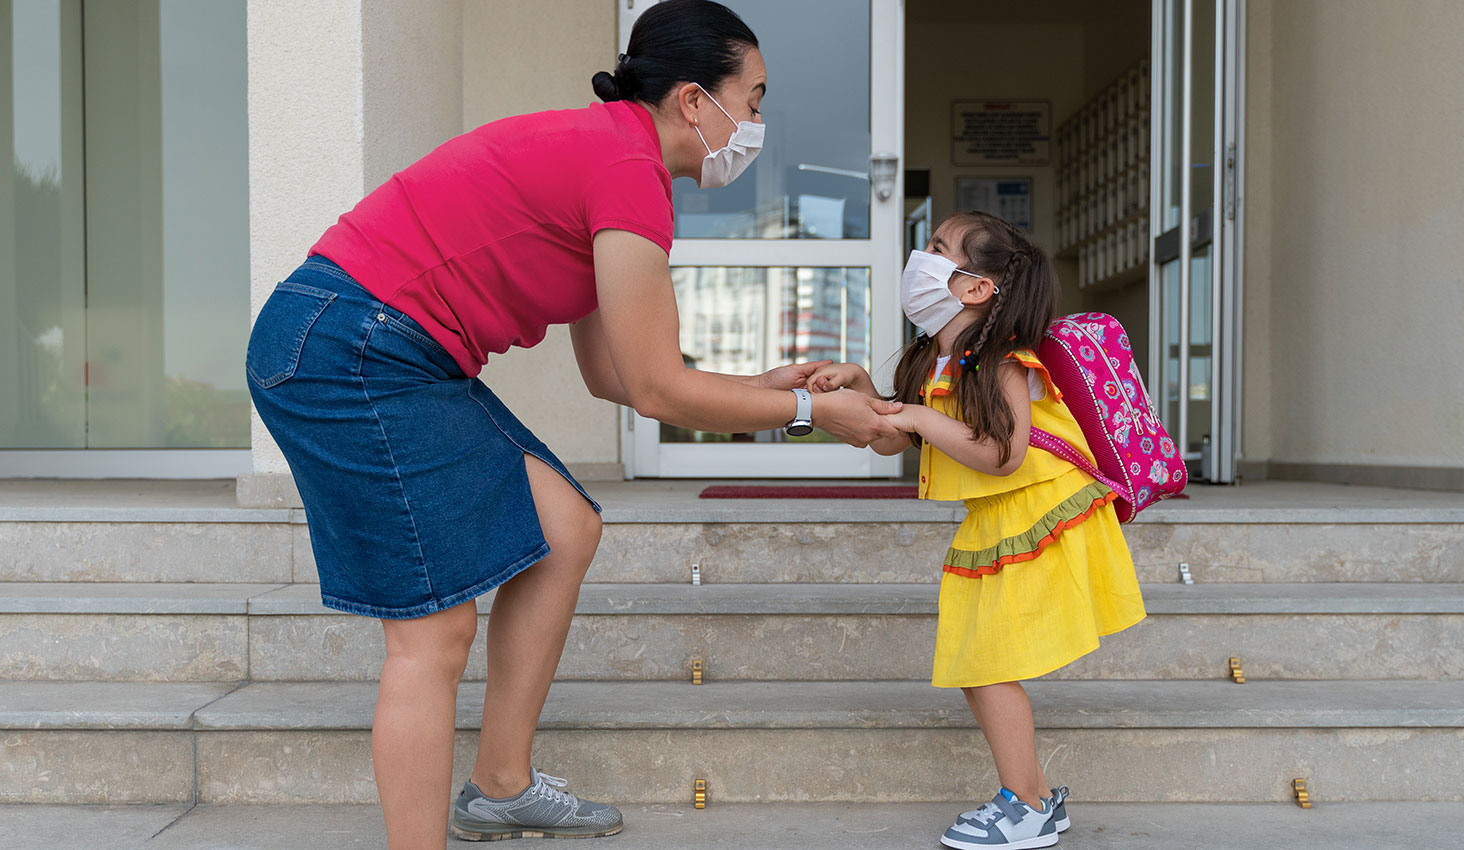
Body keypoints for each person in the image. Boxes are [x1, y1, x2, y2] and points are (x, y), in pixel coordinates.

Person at [244, 1, 899, 846]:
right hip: (349, 346)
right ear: (694, 100)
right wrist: (811, 410)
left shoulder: (613, 156)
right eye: (755, 98)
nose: (757, 122)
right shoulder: (625, 171)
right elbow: (658, 392)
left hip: (373, 342)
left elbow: (614, 376)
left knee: (564, 527)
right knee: (433, 632)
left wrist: (761, 387)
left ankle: (500, 786)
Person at [807, 211, 1148, 850]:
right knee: (975, 660)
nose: (921, 258)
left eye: (938, 248)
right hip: (997, 520)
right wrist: (859, 387)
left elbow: (1002, 454)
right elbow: (892, 440)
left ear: (975, 287)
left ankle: (1027, 807)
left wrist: (914, 417)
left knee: (988, 661)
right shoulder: (932, 358)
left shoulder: (1003, 360)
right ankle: (1038, 797)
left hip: (1042, 511)